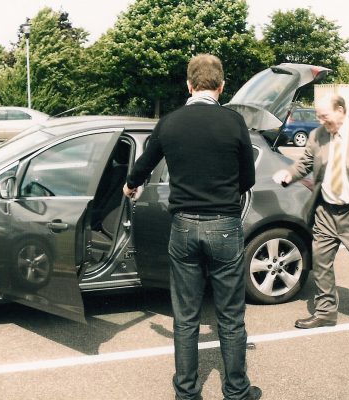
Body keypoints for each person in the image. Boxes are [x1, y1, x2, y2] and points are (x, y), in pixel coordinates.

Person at [123, 54, 262, 400]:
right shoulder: (234, 123)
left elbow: (142, 166)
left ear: (189, 85)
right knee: (230, 316)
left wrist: (130, 185)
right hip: (225, 226)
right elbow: (249, 177)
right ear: (221, 86)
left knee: (185, 316)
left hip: (183, 227)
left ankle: (186, 392)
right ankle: (236, 390)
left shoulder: (170, 122)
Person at [272, 94, 349, 329]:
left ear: (341, 110)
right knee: (321, 263)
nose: (322, 121)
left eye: (325, 116)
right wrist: (290, 174)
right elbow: (305, 163)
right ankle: (325, 312)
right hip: (325, 212)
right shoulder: (317, 135)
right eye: (319, 116)